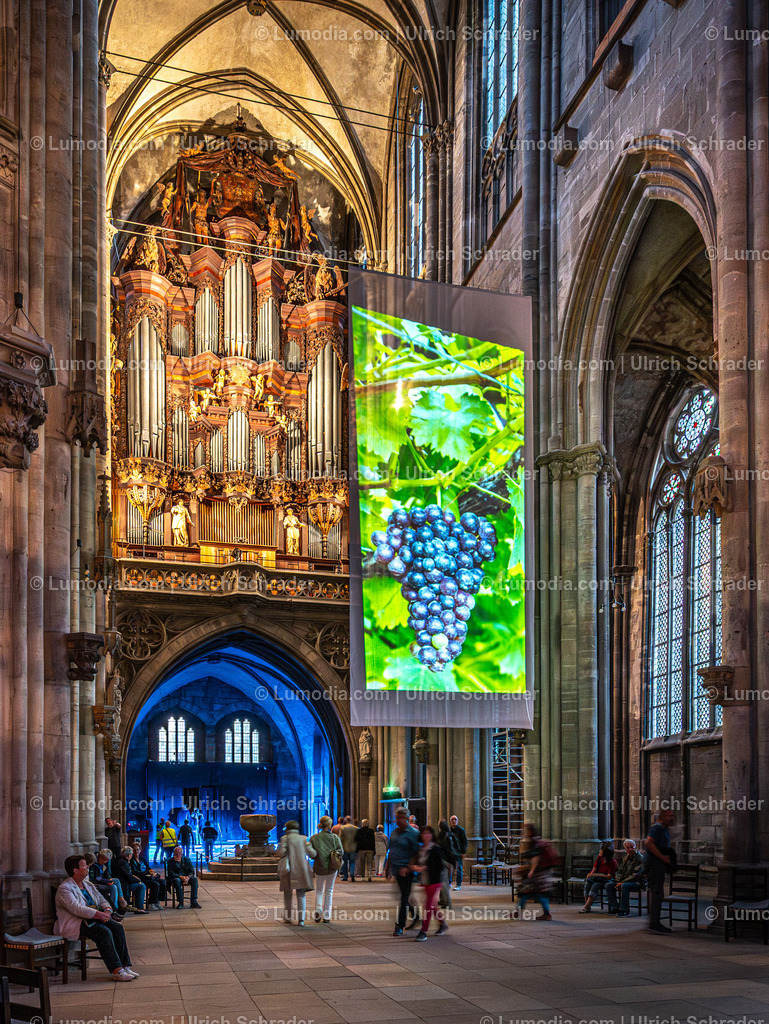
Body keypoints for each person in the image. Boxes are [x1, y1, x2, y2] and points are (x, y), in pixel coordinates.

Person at [54, 855, 137, 982]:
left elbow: (101, 899)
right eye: (84, 866)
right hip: (77, 922)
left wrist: (107, 910)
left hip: (93, 918)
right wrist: (99, 914)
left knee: (117, 928)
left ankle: (125, 966)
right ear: (75, 870)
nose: (87, 867)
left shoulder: (87, 884)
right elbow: (77, 909)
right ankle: (117, 970)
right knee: (103, 932)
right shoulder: (65, 888)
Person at [409, 826, 449, 941]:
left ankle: (423, 931)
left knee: (428, 905)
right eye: (424, 833)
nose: (426, 836)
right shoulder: (421, 849)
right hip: (425, 880)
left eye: (428, 833)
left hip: (435, 880)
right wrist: (414, 867)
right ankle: (443, 924)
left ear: (432, 835)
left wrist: (425, 867)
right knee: (432, 905)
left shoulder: (436, 849)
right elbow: (416, 862)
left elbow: (439, 866)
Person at [385, 807, 421, 936]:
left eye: (400, 818)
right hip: (396, 868)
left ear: (406, 819)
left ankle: (399, 925)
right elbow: (391, 850)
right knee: (403, 896)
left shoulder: (413, 833)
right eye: (397, 817)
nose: (397, 820)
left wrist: (408, 866)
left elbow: (416, 852)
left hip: (407, 870)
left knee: (404, 897)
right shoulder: (394, 833)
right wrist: (387, 868)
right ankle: (415, 915)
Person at [277, 820, 316, 926]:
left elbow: (281, 852)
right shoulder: (303, 838)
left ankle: (288, 917)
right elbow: (312, 853)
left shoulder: (285, 838)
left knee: (287, 895)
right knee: (301, 895)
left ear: (287, 828)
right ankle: (301, 920)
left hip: (288, 869)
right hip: (301, 868)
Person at [645, 808, 676, 934]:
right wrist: (663, 857)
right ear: (662, 817)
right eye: (669, 816)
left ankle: (655, 922)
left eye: (672, 815)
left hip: (658, 865)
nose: (672, 818)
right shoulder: (657, 828)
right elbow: (648, 843)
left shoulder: (663, 829)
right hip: (654, 865)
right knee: (657, 893)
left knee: (658, 893)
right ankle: (654, 923)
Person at [516, 823, 554, 921]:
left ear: (530, 832)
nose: (523, 833)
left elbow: (536, 857)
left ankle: (546, 914)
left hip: (539, 874)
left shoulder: (534, 843)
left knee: (530, 892)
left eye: (525, 831)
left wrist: (531, 871)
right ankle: (518, 911)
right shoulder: (534, 842)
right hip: (539, 873)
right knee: (528, 892)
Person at [310, 816, 343, 922]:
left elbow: (311, 854)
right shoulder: (335, 838)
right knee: (329, 891)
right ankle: (327, 916)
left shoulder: (314, 838)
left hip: (319, 866)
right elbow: (341, 851)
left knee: (319, 890)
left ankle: (318, 909)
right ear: (329, 825)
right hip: (332, 867)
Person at [606, 839, 646, 917]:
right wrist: (618, 880)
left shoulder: (640, 858)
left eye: (632, 847)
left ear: (635, 847)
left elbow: (636, 875)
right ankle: (615, 907)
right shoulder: (625, 858)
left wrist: (622, 882)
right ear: (625, 849)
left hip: (638, 882)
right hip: (625, 881)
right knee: (609, 885)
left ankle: (625, 910)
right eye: (627, 848)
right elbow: (619, 871)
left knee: (624, 886)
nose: (630, 849)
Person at [579, 843, 618, 913]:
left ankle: (585, 907)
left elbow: (609, 876)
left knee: (595, 885)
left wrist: (597, 875)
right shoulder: (600, 858)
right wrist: (590, 875)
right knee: (587, 884)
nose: (600, 851)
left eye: (601, 850)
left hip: (605, 880)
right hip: (596, 878)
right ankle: (587, 906)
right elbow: (594, 868)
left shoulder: (612, 862)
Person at [130, 842, 166, 910]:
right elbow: (135, 872)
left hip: (148, 877)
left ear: (140, 850)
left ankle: (157, 901)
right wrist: (147, 872)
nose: (136, 852)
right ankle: (151, 903)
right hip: (141, 878)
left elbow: (148, 868)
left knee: (163, 882)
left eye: (137, 849)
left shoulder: (142, 859)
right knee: (155, 884)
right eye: (134, 850)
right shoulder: (132, 861)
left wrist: (152, 872)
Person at [113, 846, 149, 913]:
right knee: (141, 885)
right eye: (131, 854)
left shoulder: (120, 860)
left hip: (123, 882)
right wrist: (138, 880)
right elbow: (129, 877)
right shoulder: (123, 863)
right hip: (123, 884)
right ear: (129, 855)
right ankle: (139, 908)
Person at [436, 820, 459, 910]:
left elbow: (450, 850)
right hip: (448, 860)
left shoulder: (442, 836)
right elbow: (455, 848)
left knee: (444, 883)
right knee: (442, 881)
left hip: (445, 860)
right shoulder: (450, 835)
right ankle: (442, 900)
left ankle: (447, 902)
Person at [449, 815, 468, 889]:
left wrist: (463, 852)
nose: (454, 821)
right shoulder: (449, 830)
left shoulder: (461, 830)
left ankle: (458, 884)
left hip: (458, 852)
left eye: (455, 819)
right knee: (450, 868)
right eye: (452, 819)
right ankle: (449, 883)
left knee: (459, 868)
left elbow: (464, 842)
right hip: (451, 852)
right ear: (450, 821)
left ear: (457, 821)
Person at [339, 816, 359, 881]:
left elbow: (340, 838)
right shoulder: (356, 828)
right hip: (353, 847)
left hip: (345, 847)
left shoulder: (343, 828)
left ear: (345, 820)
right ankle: (352, 874)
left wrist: (340, 847)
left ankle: (345, 876)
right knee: (352, 862)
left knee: (344, 862)